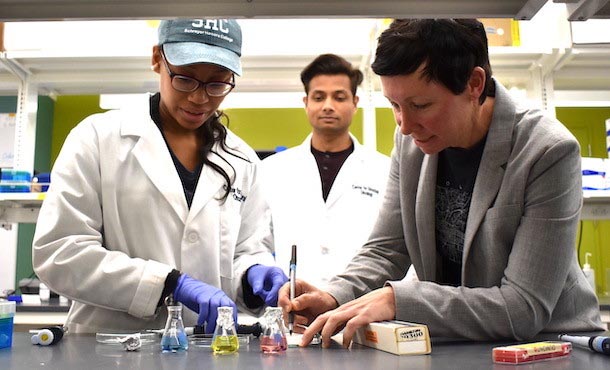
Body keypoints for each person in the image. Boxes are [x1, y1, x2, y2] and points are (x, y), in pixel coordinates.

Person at [279, 19, 604, 348]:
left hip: (552, 347)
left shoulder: (546, 151)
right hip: (464, 344)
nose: (405, 126)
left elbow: (522, 308)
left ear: (474, 84)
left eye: (420, 105)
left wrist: (399, 299)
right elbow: (387, 248)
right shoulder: (412, 143)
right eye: (395, 106)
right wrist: (334, 295)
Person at [32, 18, 287, 334]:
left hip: (205, 347)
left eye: (217, 83)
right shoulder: (97, 139)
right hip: (109, 348)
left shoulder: (243, 160)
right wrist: (167, 284)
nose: (199, 98)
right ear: (157, 59)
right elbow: (59, 253)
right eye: (185, 79)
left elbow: (245, 251)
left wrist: (254, 274)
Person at [261, 54, 390, 287]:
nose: (328, 106)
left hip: (361, 308)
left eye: (339, 97)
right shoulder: (272, 170)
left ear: (355, 103)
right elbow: (256, 244)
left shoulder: (384, 170)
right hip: (292, 307)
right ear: (306, 103)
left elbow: (395, 248)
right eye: (319, 97)